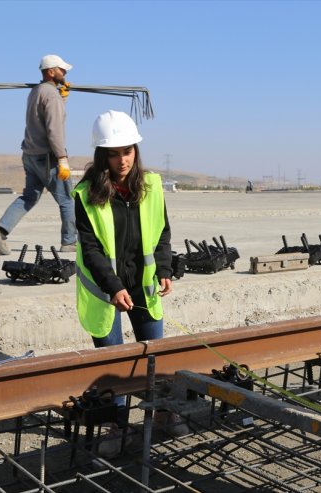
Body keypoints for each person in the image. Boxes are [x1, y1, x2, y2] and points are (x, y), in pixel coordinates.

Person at [72, 110, 186, 437]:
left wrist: (164, 269)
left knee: (154, 356)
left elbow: (162, 232)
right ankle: (114, 425)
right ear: (102, 155)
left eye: (128, 151)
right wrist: (113, 287)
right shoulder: (85, 194)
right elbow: (91, 249)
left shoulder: (151, 185)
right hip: (105, 292)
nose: (122, 160)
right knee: (113, 364)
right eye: (113, 153)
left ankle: (162, 414)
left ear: (136, 150)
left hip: (143, 287)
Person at [0, 54, 77, 255]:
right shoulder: (50, 95)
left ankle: (0, 232)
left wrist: (62, 98)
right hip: (48, 157)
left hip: (30, 154)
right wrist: (62, 158)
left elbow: (46, 117)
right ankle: (70, 242)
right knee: (68, 200)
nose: (66, 72)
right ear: (51, 71)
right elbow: (55, 129)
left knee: (29, 197)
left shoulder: (37, 91)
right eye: (62, 70)